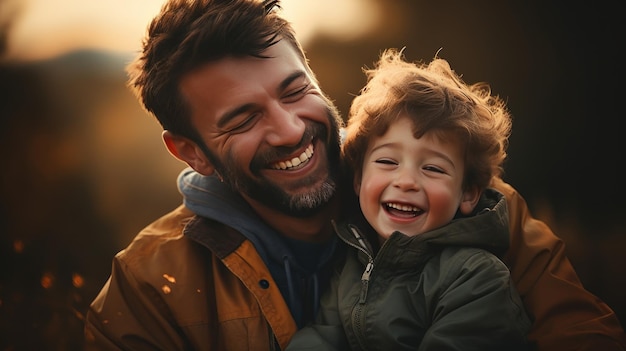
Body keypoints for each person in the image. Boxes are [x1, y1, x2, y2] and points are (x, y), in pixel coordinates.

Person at [84, 0, 626, 350]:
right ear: (190, 152)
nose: (291, 129)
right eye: (244, 119)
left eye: (296, 90)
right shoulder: (148, 289)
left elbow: (582, 334)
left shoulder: (472, 209)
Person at [286, 48, 531, 350]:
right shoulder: (352, 261)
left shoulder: (476, 278)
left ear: (467, 193)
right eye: (388, 162)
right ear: (358, 178)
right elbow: (323, 336)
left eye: (432, 168)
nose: (406, 181)